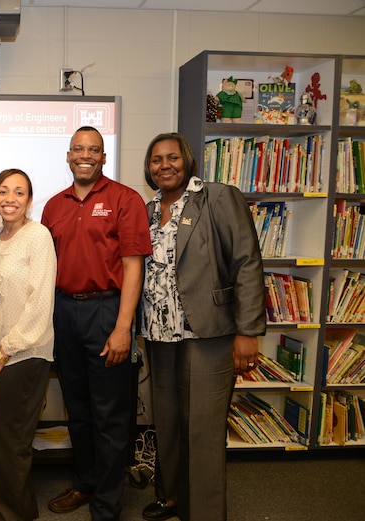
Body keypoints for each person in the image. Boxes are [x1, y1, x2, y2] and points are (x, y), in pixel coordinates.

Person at [138, 132, 265, 521]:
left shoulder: (218, 197)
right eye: (157, 159)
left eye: (172, 157)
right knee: (170, 422)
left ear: (187, 160)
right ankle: (172, 496)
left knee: (203, 431)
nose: (165, 165)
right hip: (160, 336)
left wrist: (247, 331)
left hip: (207, 332)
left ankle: (205, 512)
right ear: (149, 168)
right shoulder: (147, 209)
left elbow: (246, 261)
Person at [40, 126, 152, 521]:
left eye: (94, 150)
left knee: (110, 415)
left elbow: (133, 265)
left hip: (107, 311)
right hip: (64, 312)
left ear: (104, 157)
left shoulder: (125, 199)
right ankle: (85, 483)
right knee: (79, 410)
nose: (85, 155)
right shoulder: (53, 206)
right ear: (68, 156)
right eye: (78, 149)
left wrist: (124, 327)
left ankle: (107, 503)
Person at [0, 169, 57, 521]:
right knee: (0, 433)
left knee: (12, 436)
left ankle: (14, 513)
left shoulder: (38, 237)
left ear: (29, 200)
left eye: (19, 192)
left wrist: (4, 350)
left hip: (26, 354)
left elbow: (39, 305)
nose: (10, 198)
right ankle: (8, 506)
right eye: (3, 191)